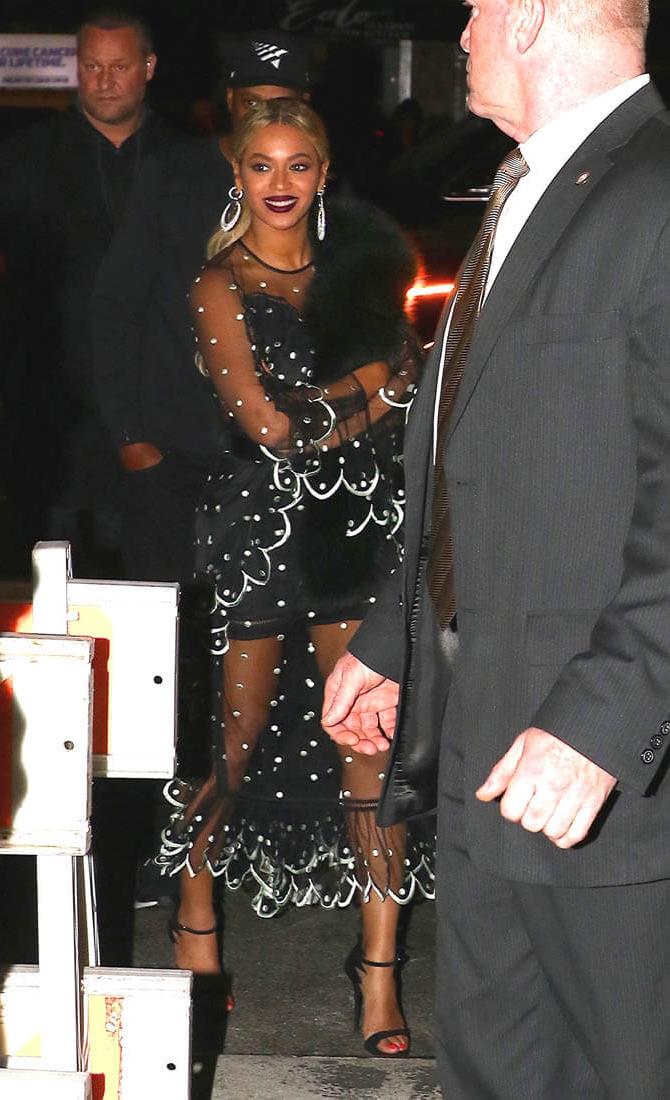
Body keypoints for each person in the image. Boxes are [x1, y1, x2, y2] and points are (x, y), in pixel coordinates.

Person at [322, 0, 670, 1095]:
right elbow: (474, 454)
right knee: (500, 1072)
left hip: (599, 778)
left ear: (531, 18)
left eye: (477, 8)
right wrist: (395, 635)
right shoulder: (529, 185)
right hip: (489, 746)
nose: (463, 31)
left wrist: (603, 719)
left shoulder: (656, 194)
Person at [151, 98, 432, 1056]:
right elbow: (269, 428)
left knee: (370, 745)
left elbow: (411, 382)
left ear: (322, 173)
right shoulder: (217, 284)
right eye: (261, 165)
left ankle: (379, 971)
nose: (280, 183)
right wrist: (371, 386)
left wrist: (359, 395)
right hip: (258, 538)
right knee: (230, 749)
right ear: (237, 175)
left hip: (357, 531)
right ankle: (195, 936)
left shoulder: (361, 269)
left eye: (298, 165)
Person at [91, 30, 313, 910]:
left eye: (282, 97)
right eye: (252, 95)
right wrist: (129, 435)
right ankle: (157, 843)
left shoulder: (316, 184)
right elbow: (116, 302)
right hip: (176, 456)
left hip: (272, 467)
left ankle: (250, 835)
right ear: (228, 98)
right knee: (166, 654)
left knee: (264, 659)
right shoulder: (174, 173)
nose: (264, 110)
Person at [0, 6, 175, 576]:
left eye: (119, 66)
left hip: (160, 419)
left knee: (150, 579)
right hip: (53, 424)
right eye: (92, 66)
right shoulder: (23, 158)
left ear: (148, 67)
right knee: (53, 582)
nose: (104, 80)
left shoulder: (186, 161)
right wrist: (18, 325)